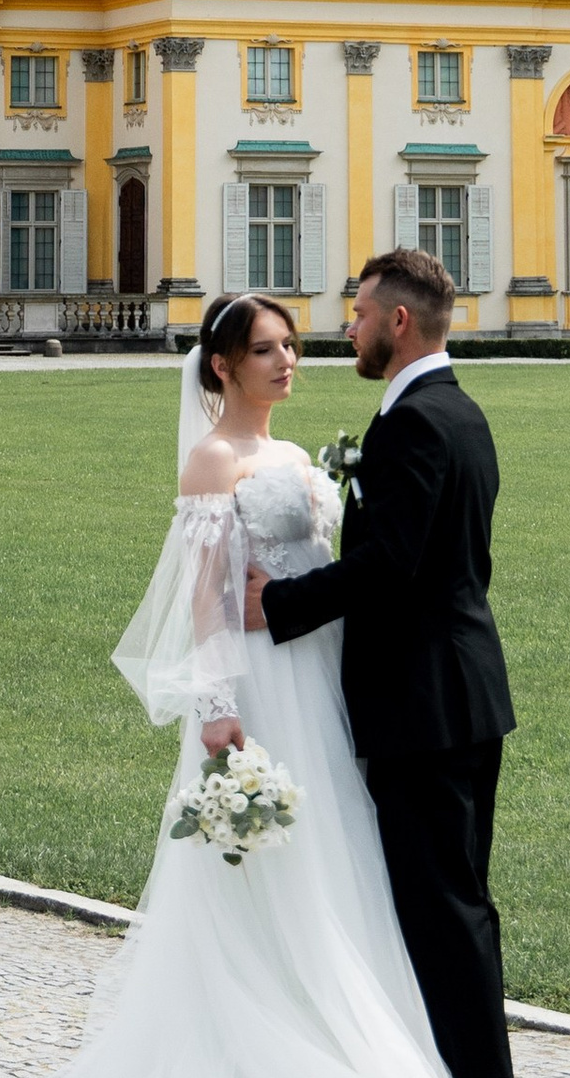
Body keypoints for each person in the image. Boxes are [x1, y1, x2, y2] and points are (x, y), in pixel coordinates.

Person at [72, 294, 447, 1078]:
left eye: (290, 348)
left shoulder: (290, 453)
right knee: (275, 853)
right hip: (259, 680)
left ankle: (325, 995)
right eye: (266, 351)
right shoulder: (214, 459)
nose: (287, 363)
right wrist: (217, 709)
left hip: (317, 669)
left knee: (333, 836)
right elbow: (205, 596)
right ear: (223, 366)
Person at [250, 249, 517, 1078]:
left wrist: (278, 603)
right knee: (459, 906)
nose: (350, 327)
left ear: (398, 322)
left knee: (443, 914)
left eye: (360, 313)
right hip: (464, 694)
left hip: (421, 708)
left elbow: (390, 564)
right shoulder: (461, 411)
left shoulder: (413, 424)